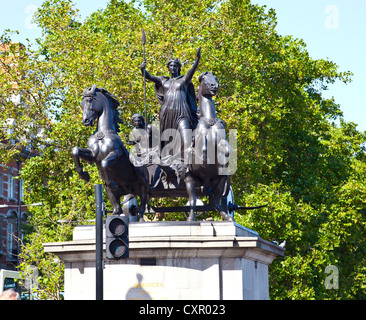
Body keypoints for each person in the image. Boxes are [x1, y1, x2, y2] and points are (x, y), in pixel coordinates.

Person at [140, 48, 201, 174]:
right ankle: (168, 166)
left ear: (178, 67)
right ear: (168, 68)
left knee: (186, 137)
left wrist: (197, 59)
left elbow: (192, 72)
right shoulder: (163, 81)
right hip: (167, 114)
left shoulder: (183, 80)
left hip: (182, 113)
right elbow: (149, 77)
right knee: (167, 140)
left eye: (175, 66)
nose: (173, 68)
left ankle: (188, 165)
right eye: (171, 66)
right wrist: (142, 69)